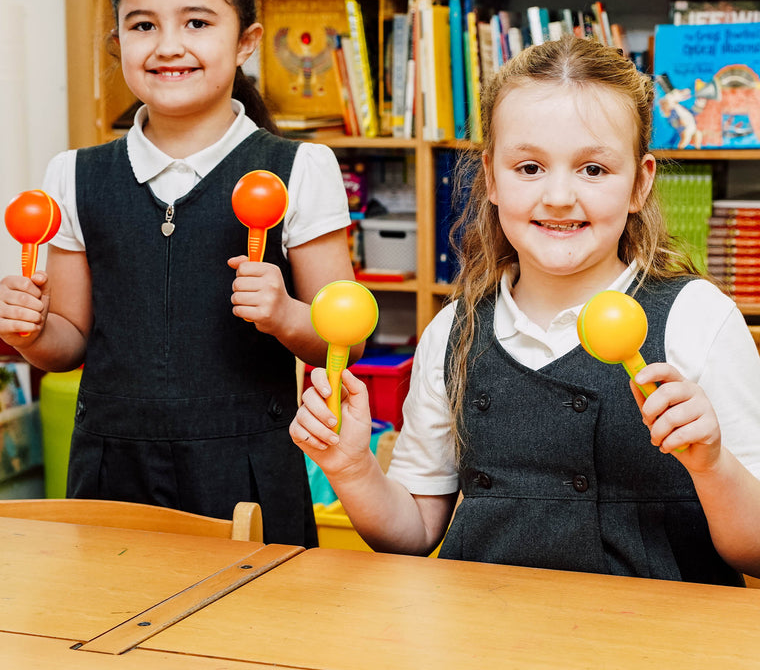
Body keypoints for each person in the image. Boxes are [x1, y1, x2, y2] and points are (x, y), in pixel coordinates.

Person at [291, 35, 760, 584]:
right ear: (491, 177)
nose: (559, 196)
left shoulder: (697, 318)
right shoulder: (452, 331)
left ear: (640, 182)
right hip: (486, 638)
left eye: (593, 170)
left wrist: (711, 465)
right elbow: (413, 533)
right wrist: (352, 468)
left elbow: (754, 555)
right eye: (530, 167)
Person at [0, 0, 361, 548]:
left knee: (256, 640)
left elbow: (342, 341)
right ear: (118, 40)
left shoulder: (302, 167)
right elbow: (69, 343)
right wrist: (29, 331)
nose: (167, 45)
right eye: (143, 25)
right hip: (111, 472)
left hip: (249, 472)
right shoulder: (74, 175)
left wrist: (282, 314)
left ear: (245, 41)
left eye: (196, 22)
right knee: (109, 636)